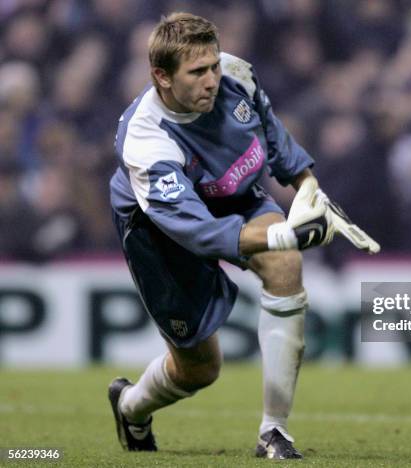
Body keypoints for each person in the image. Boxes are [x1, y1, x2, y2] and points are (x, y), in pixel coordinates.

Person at [107, 12, 377, 460]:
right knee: (199, 370)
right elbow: (199, 232)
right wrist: (285, 235)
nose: (212, 79)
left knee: (286, 265)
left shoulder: (234, 73)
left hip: (232, 193)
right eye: (197, 72)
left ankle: (274, 431)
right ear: (161, 77)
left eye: (213, 65)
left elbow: (273, 136)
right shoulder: (145, 141)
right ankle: (131, 406)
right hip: (162, 230)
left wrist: (309, 188)